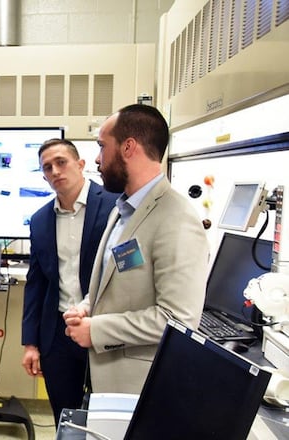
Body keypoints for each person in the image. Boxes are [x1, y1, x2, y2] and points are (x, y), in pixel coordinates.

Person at [63, 104, 209, 394]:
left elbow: (178, 319)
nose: (97, 158)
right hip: (106, 377)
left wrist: (97, 330)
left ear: (128, 147)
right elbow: (118, 283)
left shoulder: (176, 219)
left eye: (102, 146)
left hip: (141, 387)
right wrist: (87, 307)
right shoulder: (122, 210)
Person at [21, 139, 117, 425]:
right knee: (65, 418)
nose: (55, 171)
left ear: (80, 164)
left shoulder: (115, 205)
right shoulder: (40, 220)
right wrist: (30, 344)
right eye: (47, 167)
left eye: (61, 162)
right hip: (58, 335)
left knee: (106, 420)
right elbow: (36, 284)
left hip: (104, 328)